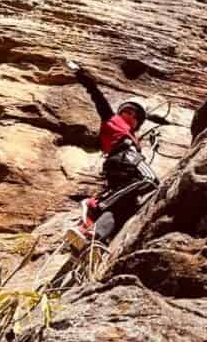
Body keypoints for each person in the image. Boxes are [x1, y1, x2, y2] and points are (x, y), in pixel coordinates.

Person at [64, 59, 159, 249]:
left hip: (120, 170)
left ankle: (93, 236)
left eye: (135, 115)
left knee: (124, 208)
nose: (130, 116)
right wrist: (82, 75)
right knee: (151, 180)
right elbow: (98, 98)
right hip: (123, 158)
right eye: (128, 111)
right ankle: (95, 205)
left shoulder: (131, 134)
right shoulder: (113, 121)